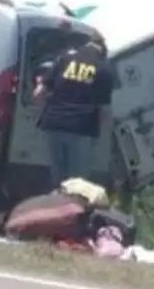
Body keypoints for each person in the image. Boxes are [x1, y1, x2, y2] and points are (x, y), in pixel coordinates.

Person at [32, 37, 113, 187]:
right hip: (81, 127)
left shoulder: (64, 59)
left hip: (55, 123)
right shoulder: (103, 69)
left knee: (58, 180)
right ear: (103, 50)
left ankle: (56, 207)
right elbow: (104, 111)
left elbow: (38, 94)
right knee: (77, 183)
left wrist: (45, 113)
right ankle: (73, 209)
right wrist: (96, 138)